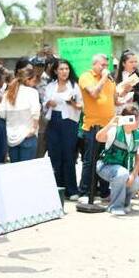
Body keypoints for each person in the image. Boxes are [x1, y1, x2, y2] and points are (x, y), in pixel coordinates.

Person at [95, 104, 139, 216]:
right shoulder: (114, 130)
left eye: (138, 118)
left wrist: (133, 175)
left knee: (136, 182)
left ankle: (125, 204)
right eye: (134, 119)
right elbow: (98, 137)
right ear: (125, 119)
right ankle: (115, 206)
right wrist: (111, 123)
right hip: (105, 166)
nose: (138, 122)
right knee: (122, 174)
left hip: (126, 170)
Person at [79, 54, 116, 199]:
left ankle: (104, 191)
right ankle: (85, 192)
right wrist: (103, 78)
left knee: (106, 159)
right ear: (94, 65)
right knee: (90, 161)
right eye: (102, 65)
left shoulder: (109, 80)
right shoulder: (86, 76)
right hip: (93, 127)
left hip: (109, 126)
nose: (105, 68)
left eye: (107, 66)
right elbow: (94, 93)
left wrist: (125, 89)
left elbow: (115, 100)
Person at [44, 59, 82, 199]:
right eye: (61, 69)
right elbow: (44, 103)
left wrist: (71, 103)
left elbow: (81, 106)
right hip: (54, 120)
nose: (64, 72)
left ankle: (71, 190)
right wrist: (49, 103)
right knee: (54, 155)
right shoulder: (50, 86)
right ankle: (57, 188)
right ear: (55, 71)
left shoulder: (74, 86)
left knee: (68, 155)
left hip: (69, 122)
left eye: (66, 69)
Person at [0, 59, 41, 163]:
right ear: (27, 80)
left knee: (16, 173)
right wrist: (33, 129)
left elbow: (1, 114)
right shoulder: (32, 92)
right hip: (28, 136)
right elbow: (36, 113)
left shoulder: (7, 93)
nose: (35, 83)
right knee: (27, 173)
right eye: (34, 80)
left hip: (11, 138)